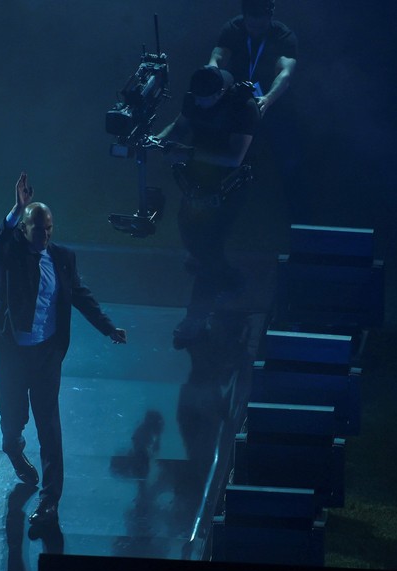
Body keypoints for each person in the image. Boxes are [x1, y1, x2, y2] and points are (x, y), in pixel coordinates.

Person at [0, 172, 127, 525]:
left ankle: (50, 501)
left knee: (49, 425)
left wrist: (108, 328)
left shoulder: (63, 258)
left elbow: (80, 296)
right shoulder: (11, 254)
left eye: (49, 229)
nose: (44, 236)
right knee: (12, 415)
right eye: (37, 229)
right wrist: (17, 208)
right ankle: (13, 446)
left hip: (47, 354)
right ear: (24, 229)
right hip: (12, 354)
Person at [154, 66, 259, 346]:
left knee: (206, 251)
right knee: (191, 237)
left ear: (222, 93)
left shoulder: (244, 108)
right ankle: (233, 279)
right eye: (196, 98)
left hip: (228, 187)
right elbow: (179, 126)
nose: (199, 103)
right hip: (196, 183)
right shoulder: (195, 98)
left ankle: (195, 317)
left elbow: (234, 158)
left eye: (206, 99)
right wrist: (161, 141)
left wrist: (186, 154)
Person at [209, 0, 308, 222]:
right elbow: (217, 57)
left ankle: (302, 223)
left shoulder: (284, 36)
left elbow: (285, 74)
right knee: (229, 162)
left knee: (289, 163)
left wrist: (268, 99)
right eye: (250, 24)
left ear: (270, 15)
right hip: (239, 106)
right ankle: (218, 219)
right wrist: (213, 75)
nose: (254, 28)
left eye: (260, 25)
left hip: (275, 108)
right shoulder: (233, 28)